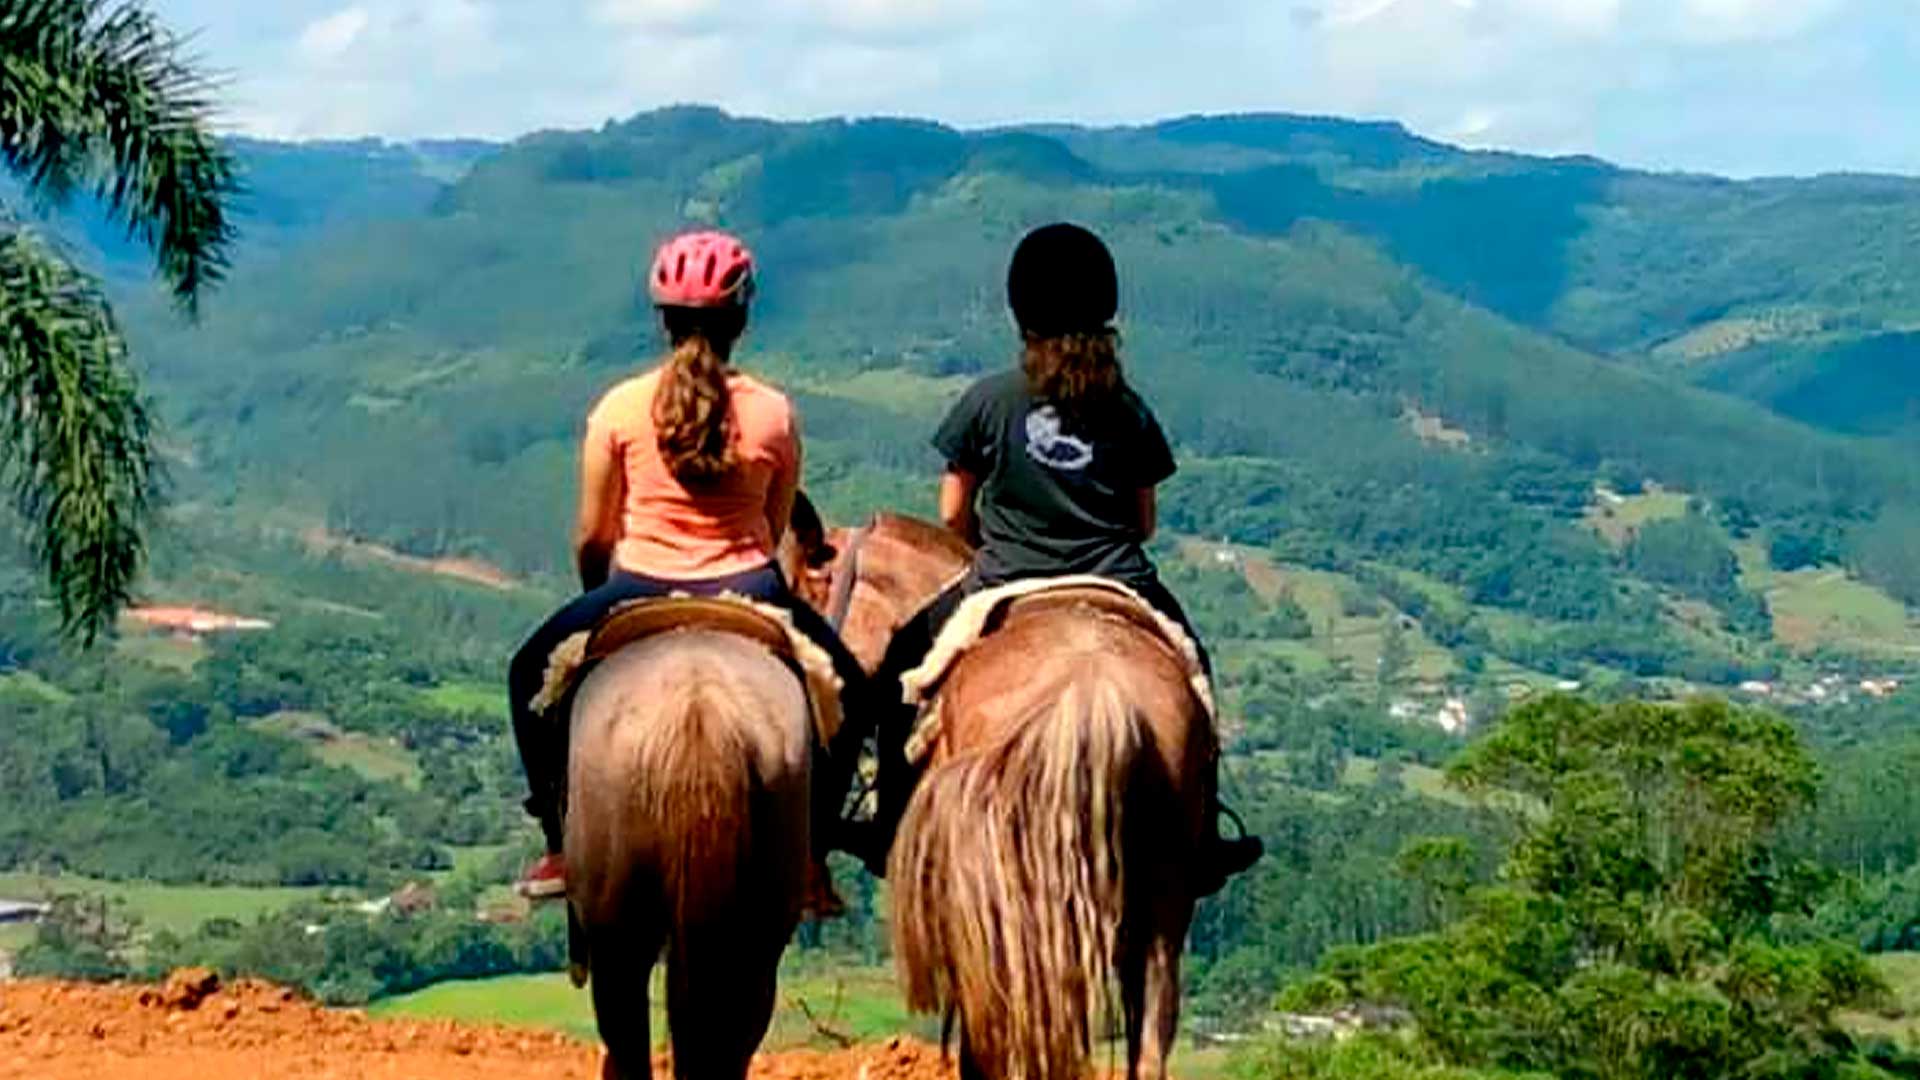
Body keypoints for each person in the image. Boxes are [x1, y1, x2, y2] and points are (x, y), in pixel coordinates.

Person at [863, 222, 1263, 895]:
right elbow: (1143, 521)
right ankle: (1202, 836)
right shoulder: (1128, 408)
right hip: (1118, 580)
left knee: (899, 669)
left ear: (1022, 311)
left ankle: (889, 823)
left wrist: (989, 541)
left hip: (1005, 577)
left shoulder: (989, 398)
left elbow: (952, 512)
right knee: (1194, 674)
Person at [506, 229, 867, 903]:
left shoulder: (618, 407)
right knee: (850, 691)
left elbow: (593, 533)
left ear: (663, 319)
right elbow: (774, 522)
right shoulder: (773, 414)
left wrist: (603, 598)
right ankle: (813, 855)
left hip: (637, 584)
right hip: (751, 587)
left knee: (527, 672)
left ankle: (559, 842)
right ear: (742, 318)